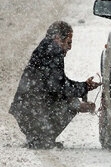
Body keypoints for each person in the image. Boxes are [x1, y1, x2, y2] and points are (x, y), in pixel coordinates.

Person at [9, 21, 101, 149]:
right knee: (72, 102)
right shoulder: (53, 52)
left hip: (26, 110)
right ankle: (41, 137)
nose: (70, 47)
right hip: (31, 112)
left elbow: (59, 82)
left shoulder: (47, 49)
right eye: (69, 42)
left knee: (71, 99)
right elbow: (58, 88)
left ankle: (39, 136)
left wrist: (84, 87)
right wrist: (80, 99)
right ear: (58, 38)